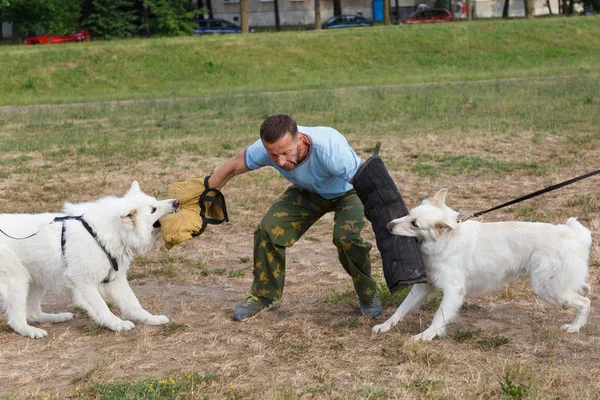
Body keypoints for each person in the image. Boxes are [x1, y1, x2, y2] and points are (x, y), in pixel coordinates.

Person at [207, 114, 383, 321]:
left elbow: (373, 184)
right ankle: (263, 296)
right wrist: (205, 197)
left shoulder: (330, 149)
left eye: (285, 153)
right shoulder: (268, 149)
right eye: (273, 156)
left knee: (346, 238)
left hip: (350, 191)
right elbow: (233, 165)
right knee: (268, 231)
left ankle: (368, 295)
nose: (281, 161)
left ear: (300, 139)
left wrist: (390, 224)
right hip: (308, 192)